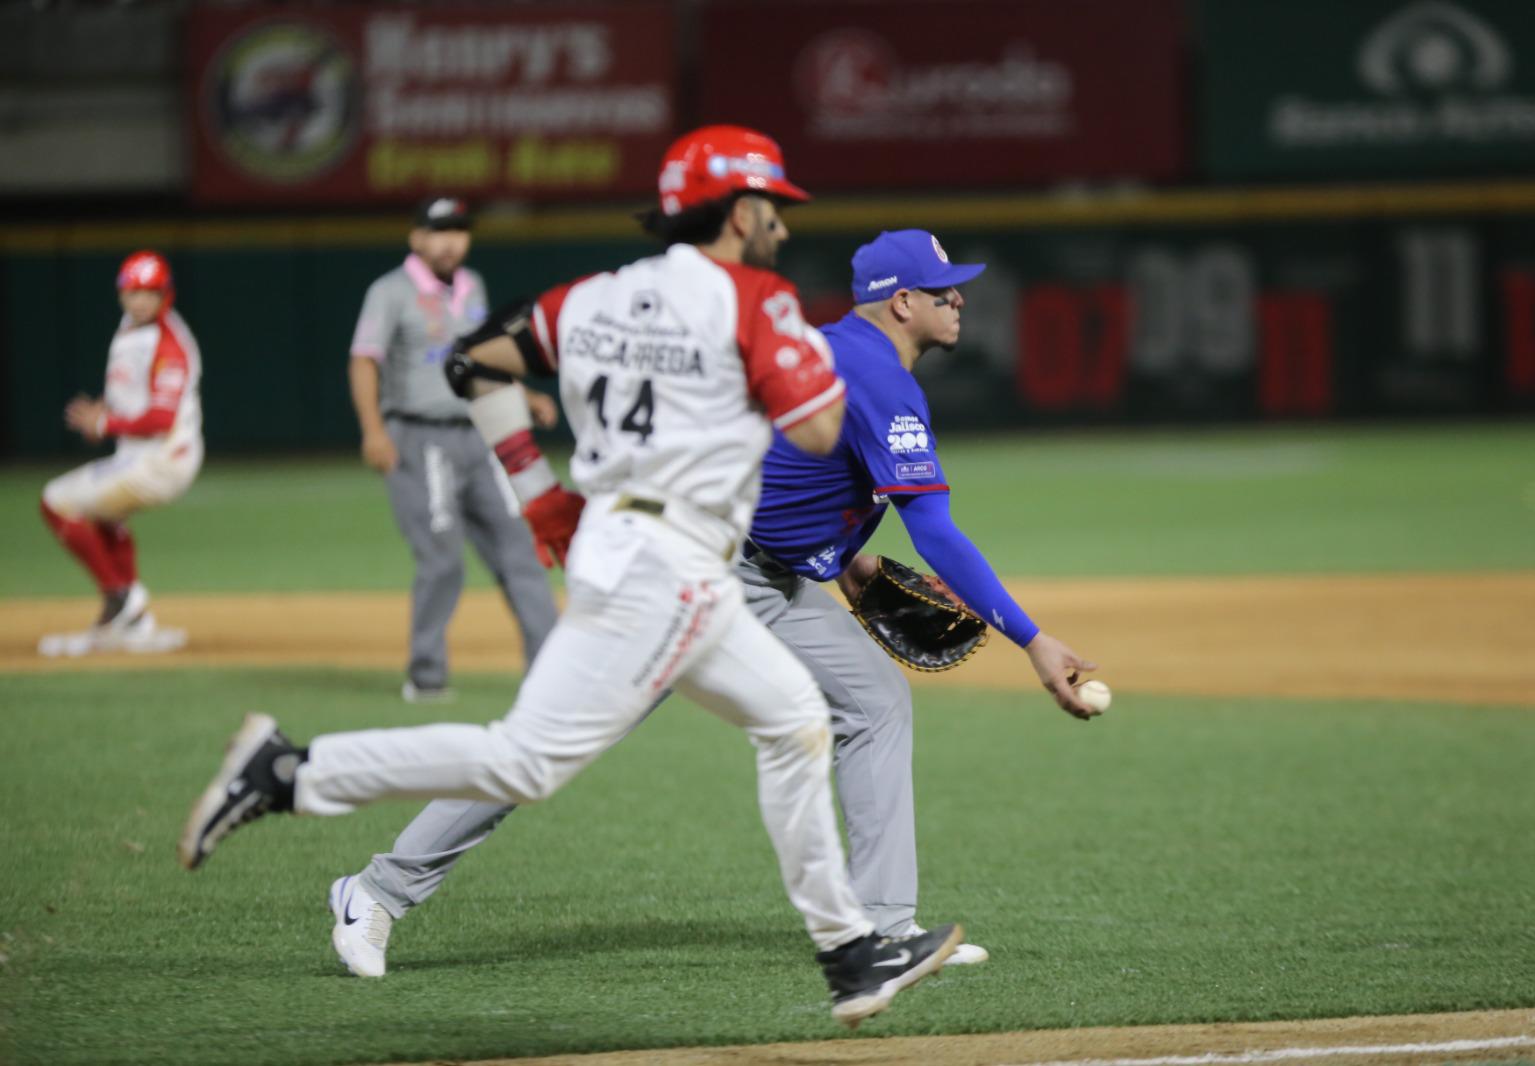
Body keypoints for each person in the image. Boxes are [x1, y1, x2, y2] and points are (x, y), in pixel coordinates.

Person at [179, 125, 964, 1029]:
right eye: (774, 209)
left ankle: (855, 953)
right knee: (528, 758)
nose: (780, 227)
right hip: (666, 567)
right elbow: (822, 431)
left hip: (638, 549)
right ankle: (291, 774)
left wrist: (539, 493)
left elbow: (469, 362)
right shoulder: (757, 301)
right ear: (741, 212)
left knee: (795, 721)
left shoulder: (588, 298)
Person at [320, 229, 1101, 982]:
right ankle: (375, 891)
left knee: (876, 701)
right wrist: (1032, 640)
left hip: (766, 578)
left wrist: (844, 559)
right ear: (900, 303)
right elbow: (936, 535)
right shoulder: (880, 381)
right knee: (548, 747)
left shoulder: (820, 346)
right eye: (945, 291)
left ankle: (885, 928)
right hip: (681, 578)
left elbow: (782, 467)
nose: (961, 301)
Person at [348, 196, 560, 701]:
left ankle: (551, 674)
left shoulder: (472, 287)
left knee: (520, 549)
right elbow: (364, 360)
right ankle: (427, 676)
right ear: (416, 238)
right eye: (438, 231)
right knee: (442, 560)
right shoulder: (391, 291)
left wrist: (524, 395)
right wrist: (373, 430)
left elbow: (479, 359)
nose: (450, 241)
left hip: (479, 430)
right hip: (418, 438)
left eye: (459, 231)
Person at [37, 250, 200, 657]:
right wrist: (105, 413)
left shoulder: (170, 343)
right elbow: (130, 398)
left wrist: (105, 424)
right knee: (104, 515)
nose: (141, 300)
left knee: (54, 502)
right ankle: (135, 617)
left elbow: (161, 417)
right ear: (121, 295)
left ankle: (121, 598)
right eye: (133, 292)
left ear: (168, 294)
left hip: (162, 460)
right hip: (141, 455)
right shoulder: (131, 327)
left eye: (150, 292)